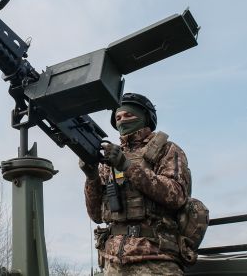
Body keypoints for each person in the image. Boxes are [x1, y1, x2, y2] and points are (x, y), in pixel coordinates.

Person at [80, 93, 192, 276]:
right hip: (113, 262)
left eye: (128, 115)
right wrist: (91, 177)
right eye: (118, 117)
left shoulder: (166, 149)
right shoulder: (109, 159)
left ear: (145, 118)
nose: (122, 120)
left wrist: (127, 166)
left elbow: (176, 196)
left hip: (156, 259)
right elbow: (97, 215)